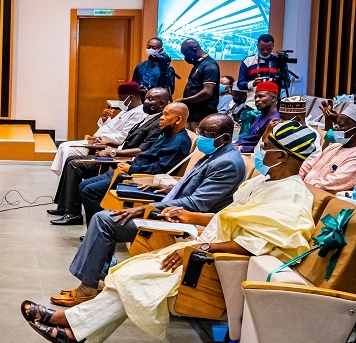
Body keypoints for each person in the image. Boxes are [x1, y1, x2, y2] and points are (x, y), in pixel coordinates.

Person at [22, 121, 318, 343]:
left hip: (223, 264)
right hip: (205, 246)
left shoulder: (290, 195)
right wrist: (193, 219)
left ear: (281, 156)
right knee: (127, 273)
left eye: (265, 147)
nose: (258, 151)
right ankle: (72, 332)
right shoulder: (264, 181)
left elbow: (255, 244)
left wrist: (201, 247)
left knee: (136, 278)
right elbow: (230, 218)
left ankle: (69, 325)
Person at [51, 113, 246, 307]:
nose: (202, 136)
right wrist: (170, 188)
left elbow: (197, 204)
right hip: (171, 208)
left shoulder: (227, 163)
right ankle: (97, 280)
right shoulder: (216, 154)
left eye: (208, 132)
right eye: (200, 131)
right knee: (104, 218)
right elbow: (198, 188)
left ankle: (87, 288)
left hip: (184, 221)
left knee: (106, 221)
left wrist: (146, 208)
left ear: (226, 137)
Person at [48, 88, 170, 225]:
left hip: (122, 160)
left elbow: (141, 150)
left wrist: (112, 152)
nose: (145, 102)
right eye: (145, 98)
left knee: (75, 164)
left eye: (150, 99)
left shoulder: (157, 124)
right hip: (118, 153)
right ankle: (66, 207)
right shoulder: (148, 118)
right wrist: (109, 142)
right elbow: (126, 139)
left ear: (162, 103)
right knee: (71, 160)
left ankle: (74, 214)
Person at [69, 102, 193, 226]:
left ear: (178, 119)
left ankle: (100, 227)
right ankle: (97, 225)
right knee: (83, 185)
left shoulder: (179, 141)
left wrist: (131, 168)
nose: (161, 117)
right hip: (130, 170)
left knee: (90, 191)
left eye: (166, 115)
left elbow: (161, 169)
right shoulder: (168, 135)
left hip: (141, 178)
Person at [50, 82, 146, 176]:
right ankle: (64, 179)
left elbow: (123, 137)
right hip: (97, 141)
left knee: (67, 150)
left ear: (131, 97)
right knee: (62, 146)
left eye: (121, 98)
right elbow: (111, 127)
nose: (119, 101)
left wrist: (103, 137)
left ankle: (67, 181)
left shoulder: (137, 114)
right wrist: (105, 119)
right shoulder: (127, 110)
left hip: (105, 146)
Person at [301, 102, 356, 192]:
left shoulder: (354, 158)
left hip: (317, 198)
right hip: (304, 189)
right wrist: (292, 177)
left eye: (341, 125)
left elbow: (329, 183)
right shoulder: (334, 147)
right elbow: (308, 166)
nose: (335, 128)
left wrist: (300, 185)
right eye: (336, 124)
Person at [177, 39, 221, 132]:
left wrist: (184, 100)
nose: (185, 58)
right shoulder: (199, 64)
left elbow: (207, 92)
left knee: (198, 144)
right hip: (193, 115)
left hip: (202, 116)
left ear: (194, 48)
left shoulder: (209, 65)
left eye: (186, 54)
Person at [233, 81, 279, 153]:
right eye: (256, 97)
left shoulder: (274, 120)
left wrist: (241, 148)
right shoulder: (260, 116)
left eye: (261, 96)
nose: (257, 100)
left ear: (272, 98)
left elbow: (267, 148)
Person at [237, 34, 278, 105]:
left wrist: (275, 81)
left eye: (269, 49)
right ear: (257, 46)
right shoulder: (248, 61)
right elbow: (240, 84)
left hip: (273, 104)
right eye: (262, 49)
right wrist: (253, 83)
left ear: (273, 46)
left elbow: (287, 83)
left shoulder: (278, 61)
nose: (265, 51)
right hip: (252, 103)